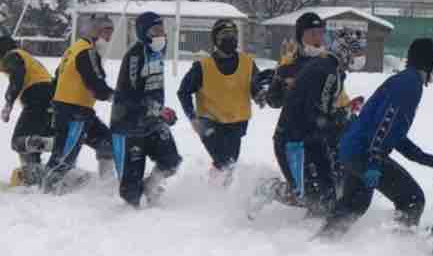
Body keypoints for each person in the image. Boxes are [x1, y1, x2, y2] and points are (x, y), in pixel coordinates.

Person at [320, 38, 433, 237]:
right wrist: (373, 162)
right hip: (363, 152)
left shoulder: (406, 80)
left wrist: (418, 155)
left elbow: (393, 131)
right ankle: (399, 247)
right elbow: (384, 125)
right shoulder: (410, 83)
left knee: (354, 205)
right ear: (426, 61)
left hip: (353, 149)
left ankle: (324, 242)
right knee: (412, 199)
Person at [280, 28, 364, 215]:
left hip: (311, 138)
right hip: (295, 140)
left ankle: (312, 225)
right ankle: (268, 190)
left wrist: (344, 112)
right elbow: (316, 114)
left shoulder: (330, 69)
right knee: (308, 195)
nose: (359, 58)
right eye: (356, 53)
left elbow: (322, 109)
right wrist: (339, 118)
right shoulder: (328, 72)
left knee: (326, 196)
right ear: (345, 53)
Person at [177, 18, 267, 179]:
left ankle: (216, 187)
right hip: (210, 122)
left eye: (233, 34)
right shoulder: (202, 66)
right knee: (224, 161)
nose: (229, 38)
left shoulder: (248, 63)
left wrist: (259, 95)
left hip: (237, 122)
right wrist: (192, 117)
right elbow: (183, 92)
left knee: (229, 164)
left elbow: (255, 86)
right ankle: (209, 187)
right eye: (224, 35)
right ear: (216, 39)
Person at [109, 12, 182, 207]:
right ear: (143, 32)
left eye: (162, 30)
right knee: (130, 194)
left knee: (171, 161)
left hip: (152, 121)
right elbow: (131, 96)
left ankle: (151, 187)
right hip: (128, 126)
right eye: (155, 30)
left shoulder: (158, 52)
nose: (161, 34)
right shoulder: (135, 56)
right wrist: (158, 109)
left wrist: (160, 111)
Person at [43, 14, 116, 193]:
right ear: (94, 31)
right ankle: (48, 191)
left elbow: (56, 78)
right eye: (106, 31)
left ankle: (106, 185)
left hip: (78, 110)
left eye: (111, 31)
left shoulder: (73, 49)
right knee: (64, 156)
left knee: (108, 142)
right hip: (74, 112)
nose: (109, 36)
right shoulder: (87, 51)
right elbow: (95, 82)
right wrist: (114, 96)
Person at [265, 11, 329, 199]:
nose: (317, 38)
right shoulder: (288, 64)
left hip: (317, 137)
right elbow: (273, 100)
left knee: (325, 192)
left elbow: (336, 100)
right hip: (291, 139)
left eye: (320, 33)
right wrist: (286, 88)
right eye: (312, 34)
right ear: (300, 36)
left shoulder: (329, 63)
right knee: (300, 193)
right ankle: (266, 190)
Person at [1, 32, 55, 187]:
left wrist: (8, 103)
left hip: (37, 97)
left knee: (18, 141)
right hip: (50, 98)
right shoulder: (25, 57)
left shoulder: (12, 56)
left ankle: (56, 145)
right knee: (31, 140)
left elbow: (17, 77)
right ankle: (34, 172)